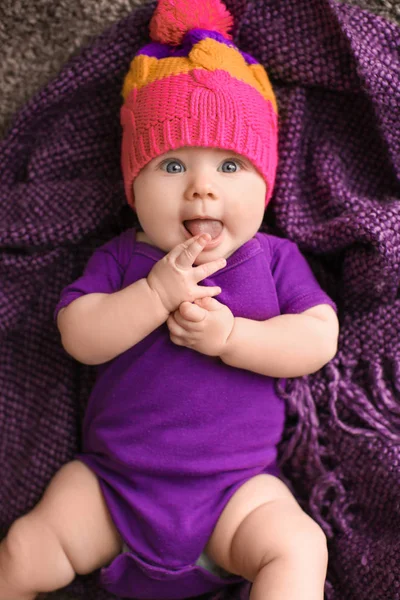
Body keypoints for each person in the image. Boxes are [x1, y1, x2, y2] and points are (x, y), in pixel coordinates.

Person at [0, 0, 339, 599]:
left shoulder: (274, 258)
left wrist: (235, 338)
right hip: (113, 490)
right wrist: (154, 293)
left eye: (231, 164)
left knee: (299, 545)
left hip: (234, 497)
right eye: (174, 163)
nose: (203, 186)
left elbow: (317, 338)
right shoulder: (123, 259)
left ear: (266, 185)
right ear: (132, 188)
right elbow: (79, 334)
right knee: (26, 548)